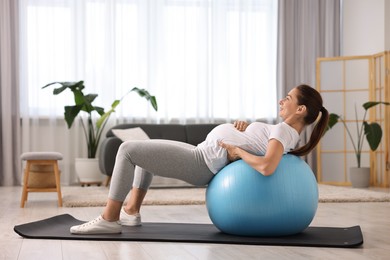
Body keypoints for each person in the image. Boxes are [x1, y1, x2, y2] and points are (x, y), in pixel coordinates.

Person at [70, 84, 329, 234]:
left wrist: (237, 151)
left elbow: (266, 166)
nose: (282, 100)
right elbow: (264, 147)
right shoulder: (286, 131)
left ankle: (109, 219)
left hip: (202, 162)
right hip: (204, 153)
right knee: (143, 150)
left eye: (289, 98)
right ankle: (131, 210)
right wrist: (248, 129)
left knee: (127, 150)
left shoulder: (284, 130)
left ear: (301, 109)